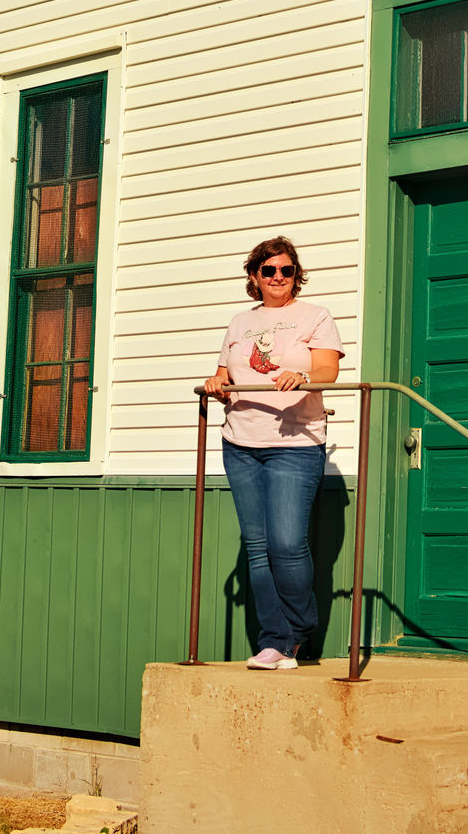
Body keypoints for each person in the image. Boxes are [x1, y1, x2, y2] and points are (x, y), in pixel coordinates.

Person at [202, 235, 344, 670]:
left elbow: (328, 369)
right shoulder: (240, 322)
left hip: (295, 443)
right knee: (258, 546)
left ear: (296, 275)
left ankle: (299, 633)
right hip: (240, 442)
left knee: (286, 543)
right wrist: (215, 383)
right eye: (269, 271)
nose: (278, 277)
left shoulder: (315, 316)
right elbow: (226, 372)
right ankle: (274, 641)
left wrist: (301, 374)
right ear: (254, 277)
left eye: (286, 270)